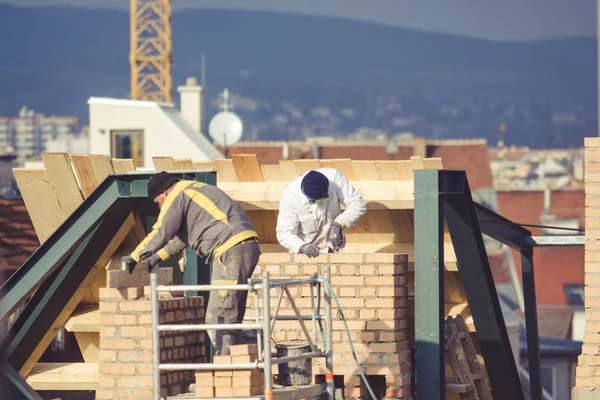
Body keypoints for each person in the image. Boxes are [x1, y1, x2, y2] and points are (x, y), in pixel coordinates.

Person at [121, 171, 260, 355]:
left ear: (163, 193)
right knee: (231, 316)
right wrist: (155, 258)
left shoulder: (178, 194)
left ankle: (227, 372)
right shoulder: (193, 190)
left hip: (229, 250)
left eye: (157, 202)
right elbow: (184, 239)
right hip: (243, 246)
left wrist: (135, 256)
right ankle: (244, 369)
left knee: (217, 318)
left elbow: (162, 231)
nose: (160, 206)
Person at [276, 168, 367, 256]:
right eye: (316, 200)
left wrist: (339, 223)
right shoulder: (290, 197)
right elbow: (284, 232)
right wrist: (302, 246)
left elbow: (357, 204)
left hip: (332, 249)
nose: (320, 203)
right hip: (305, 254)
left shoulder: (334, 178)